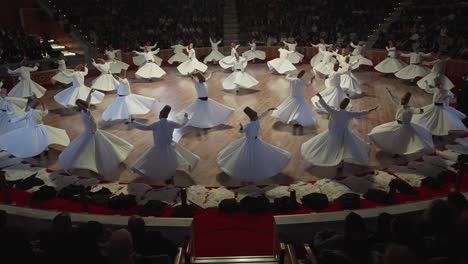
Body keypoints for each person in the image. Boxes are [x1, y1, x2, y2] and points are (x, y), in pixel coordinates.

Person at [59, 91, 134, 179]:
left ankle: (94, 164)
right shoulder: (85, 111)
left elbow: (89, 113)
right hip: (90, 132)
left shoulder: (86, 112)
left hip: (92, 132)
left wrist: (90, 95)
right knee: (88, 149)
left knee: (90, 149)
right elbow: (87, 104)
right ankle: (87, 164)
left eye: (79, 105)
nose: (78, 106)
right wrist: (89, 94)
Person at [301, 93, 377, 168]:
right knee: (346, 145)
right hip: (343, 133)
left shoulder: (333, 111)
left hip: (333, 133)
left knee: (332, 146)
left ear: (340, 104)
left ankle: (337, 159)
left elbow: (325, 105)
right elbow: (359, 113)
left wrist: (320, 97)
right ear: (346, 106)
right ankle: (340, 159)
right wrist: (370, 110)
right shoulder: (348, 114)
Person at [217, 106, 291, 182]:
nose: (257, 117)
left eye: (256, 116)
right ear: (252, 118)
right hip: (249, 143)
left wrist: (268, 110)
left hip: (256, 141)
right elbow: (241, 132)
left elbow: (261, 115)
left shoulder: (255, 120)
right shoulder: (248, 125)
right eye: (256, 116)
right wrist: (241, 128)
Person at [131, 105, 200, 183]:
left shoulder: (156, 124)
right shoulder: (171, 123)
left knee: (152, 159)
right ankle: (170, 173)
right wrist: (185, 118)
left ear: (160, 115)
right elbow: (181, 125)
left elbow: (145, 127)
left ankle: (160, 172)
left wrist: (133, 123)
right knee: (171, 160)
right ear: (167, 116)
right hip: (169, 146)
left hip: (158, 147)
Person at [368, 90, 434, 156]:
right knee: (384, 132)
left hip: (405, 127)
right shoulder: (400, 104)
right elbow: (394, 99)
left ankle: (398, 152)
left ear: (407, 101)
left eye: (404, 100)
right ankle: (395, 150)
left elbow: (417, 111)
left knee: (401, 141)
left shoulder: (410, 109)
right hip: (396, 124)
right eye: (402, 99)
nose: (402, 101)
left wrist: (421, 110)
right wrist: (390, 93)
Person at [0, 97, 70, 158]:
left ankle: (36, 153)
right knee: (41, 140)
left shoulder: (29, 113)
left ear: (30, 107)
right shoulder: (38, 112)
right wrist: (44, 107)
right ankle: (43, 152)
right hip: (39, 128)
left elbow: (20, 118)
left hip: (30, 130)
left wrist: (11, 120)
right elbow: (45, 113)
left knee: (33, 141)